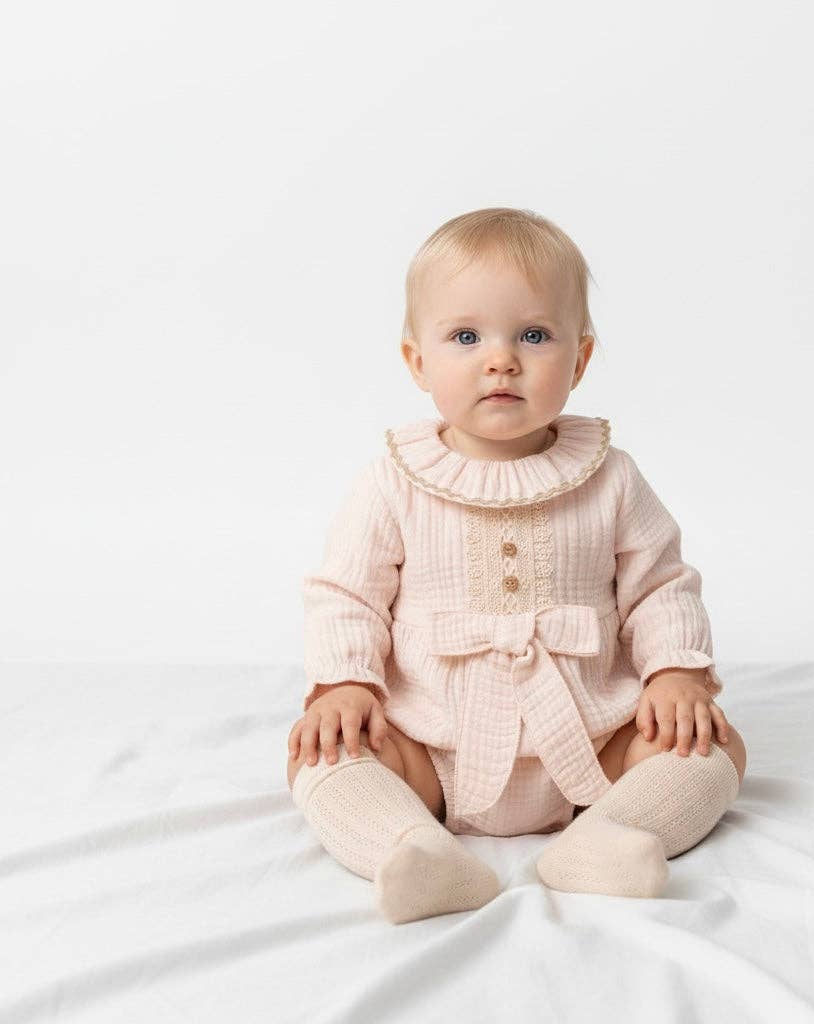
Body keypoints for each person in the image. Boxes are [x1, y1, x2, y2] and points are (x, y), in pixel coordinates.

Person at [286, 207, 747, 925]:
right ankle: (410, 849)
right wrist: (345, 684)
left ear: (580, 360)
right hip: (430, 746)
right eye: (466, 337)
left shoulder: (612, 477)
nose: (500, 360)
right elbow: (347, 595)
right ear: (417, 361)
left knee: (712, 745)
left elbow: (661, 586)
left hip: (596, 743)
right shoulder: (391, 483)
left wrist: (675, 673)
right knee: (322, 753)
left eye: (533, 335)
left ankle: (615, 834)